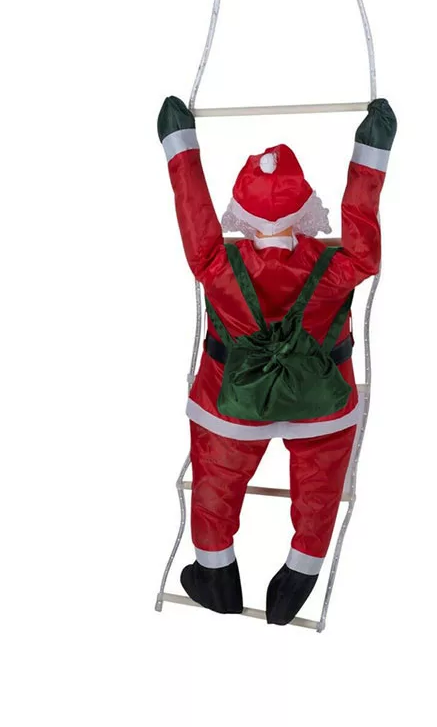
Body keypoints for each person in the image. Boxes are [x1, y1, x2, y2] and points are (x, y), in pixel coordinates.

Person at [157, 96, 396, 624]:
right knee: (319, 487)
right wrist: (371, 153)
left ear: (240, 215)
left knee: (216, 481)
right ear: (306, 209)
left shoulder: (216, 262)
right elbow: (364, 247)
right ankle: (298, 578)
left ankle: (215, 575)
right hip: (322, 407)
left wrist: (180, 147)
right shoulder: (336, 265)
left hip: (231, 407)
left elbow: (194, 216)